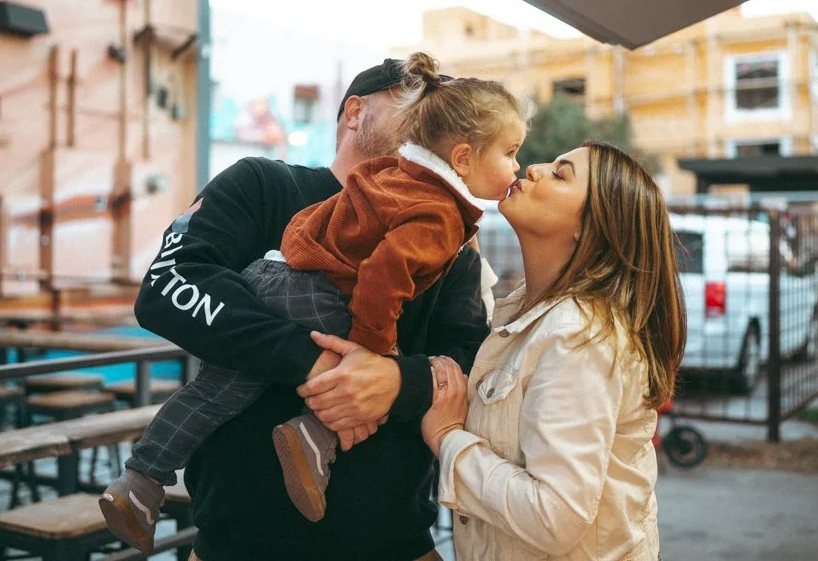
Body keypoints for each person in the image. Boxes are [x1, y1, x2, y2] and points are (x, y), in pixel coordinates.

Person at [101, 53, 525, 550]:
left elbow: (471, 361)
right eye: (411, 98)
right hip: (238, 537)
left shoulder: (453, 238)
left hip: (392, 537)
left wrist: (393, 381)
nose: (428, 114)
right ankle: (145, 474)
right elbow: (166, 288)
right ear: (354, 112)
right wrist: (315, 362)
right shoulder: (261, 183)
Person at [419, 142, 687, 561]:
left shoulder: (579, 336)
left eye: (561, 174)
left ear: (593, 227)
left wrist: (447, 438)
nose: (535, 169)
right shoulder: (534, 315)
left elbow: (555, 517)